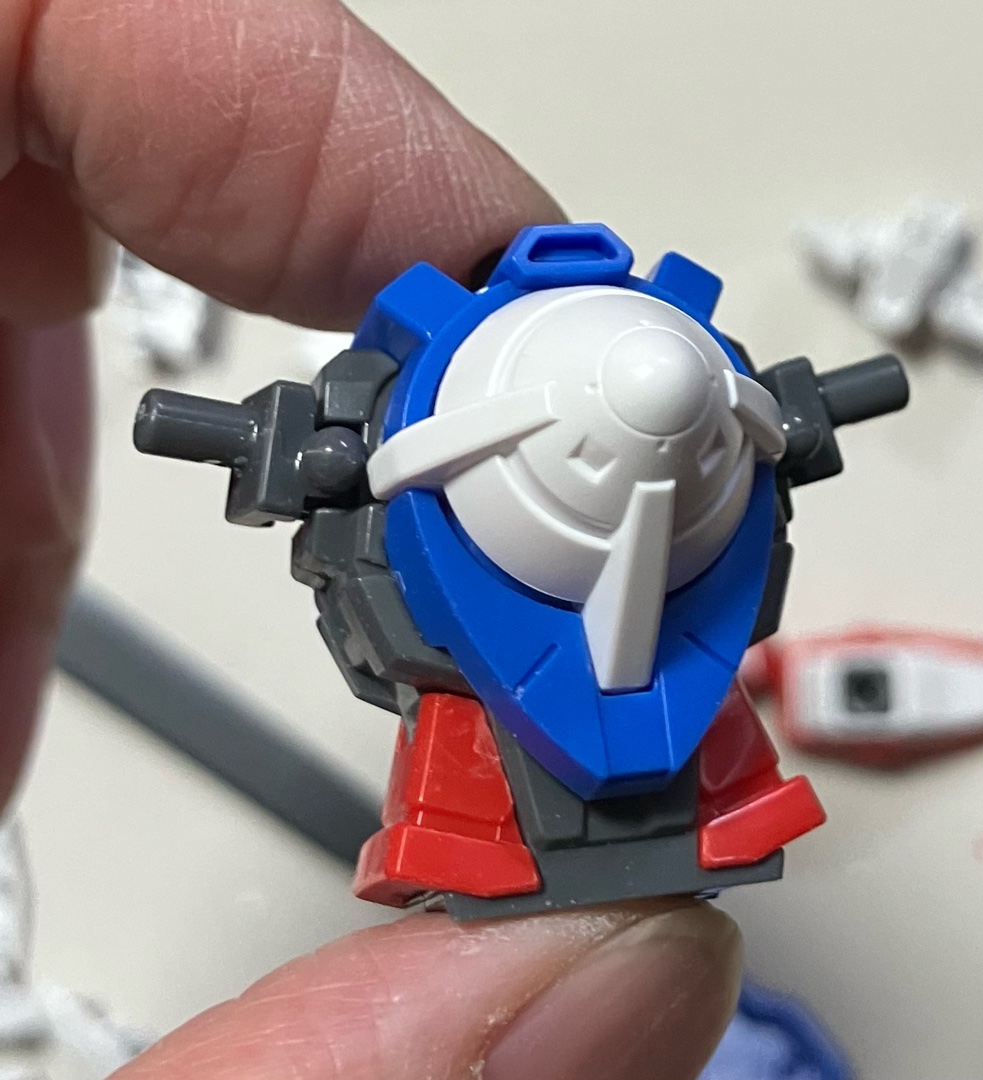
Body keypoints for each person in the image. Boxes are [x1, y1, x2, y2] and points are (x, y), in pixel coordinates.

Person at [0, 1, 742, 1077]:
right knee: (471, 766)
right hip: (483, 609)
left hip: (665, 585)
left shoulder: (692, 443)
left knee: (669, 750)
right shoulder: (426, 459)